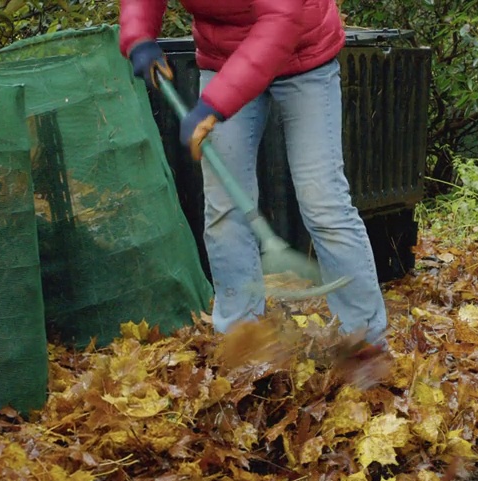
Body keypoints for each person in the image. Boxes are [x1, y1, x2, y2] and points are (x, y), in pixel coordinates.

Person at [120, 0, 389, 349]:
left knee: (324, 203)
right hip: (223, 58)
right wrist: (138, 35)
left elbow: (281, 19)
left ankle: (365, 342)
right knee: (225, 207)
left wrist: (214, 104)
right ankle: (241, 337)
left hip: (301, 52)